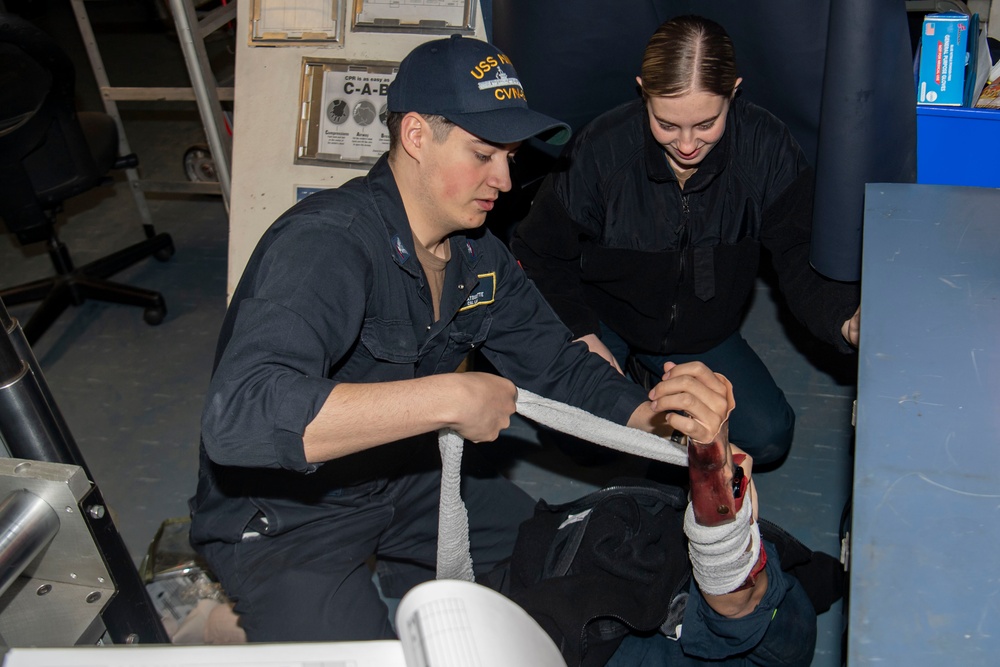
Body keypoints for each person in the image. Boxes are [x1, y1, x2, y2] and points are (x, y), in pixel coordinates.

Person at [189, 33, 725, 642]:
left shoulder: (477, 255)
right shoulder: (326, 246)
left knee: (555, 564)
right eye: (483, 153)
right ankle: (216, 627)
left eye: (511, 155)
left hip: (407, 476)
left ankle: (393, 580)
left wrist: (667, 421)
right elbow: (240, 419)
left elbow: (560, 366)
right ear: (416, 135)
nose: (503, 177)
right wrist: (449, 398)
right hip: (289, 513)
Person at [511, 15, 861, 466]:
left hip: (699, 333)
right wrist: (581, 333)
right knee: (577, 437)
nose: (688, 144)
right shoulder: (602, 148)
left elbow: (798, 252)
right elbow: (538, 253)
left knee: (769, 438)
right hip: (609, 319)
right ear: (643, 92)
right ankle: (640, 390)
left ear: (733, 92)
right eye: (668, 124)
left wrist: (843, 316)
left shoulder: (766, 147)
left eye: (706, 123)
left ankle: (652, 406)